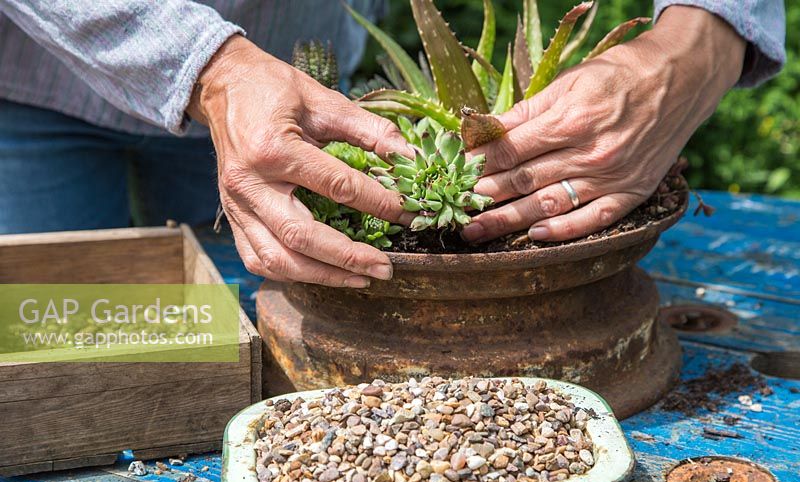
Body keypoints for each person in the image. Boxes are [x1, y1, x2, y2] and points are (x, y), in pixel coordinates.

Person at [0, 1, 786, 288]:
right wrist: (210, 69)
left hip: (295, 82)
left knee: (266, 326)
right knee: (65, 364)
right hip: (44, 72)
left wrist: (701, 42)